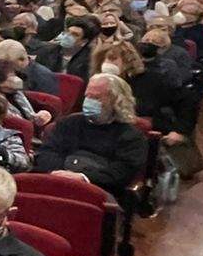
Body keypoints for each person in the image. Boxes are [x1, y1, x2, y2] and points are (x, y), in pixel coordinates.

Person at [34, 72, 148, 203]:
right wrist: (60, 172)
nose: (89, 101)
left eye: (96, 98)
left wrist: (83, 177)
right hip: (57, 180)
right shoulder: (69, 123)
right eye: (87, 96)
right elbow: (47, 152)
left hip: (99, 191)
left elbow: (122, 173)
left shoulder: (132, 136)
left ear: (116, 102)